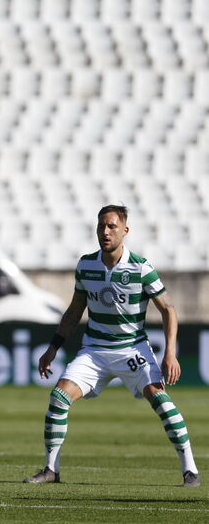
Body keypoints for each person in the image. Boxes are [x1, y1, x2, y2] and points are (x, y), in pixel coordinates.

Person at [25, 205, 198, 487]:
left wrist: (170, 353)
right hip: (95, 351)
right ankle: (50, 469)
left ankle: (190, 470)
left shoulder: (141, 268)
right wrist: (53, 347)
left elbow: (168, 309)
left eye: (112, 227)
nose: (105, 232)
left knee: (160, 400)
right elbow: (75, 310)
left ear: (125, 231)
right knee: (59, 397)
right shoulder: (86, 265)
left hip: (132, 349)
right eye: (101, 226)